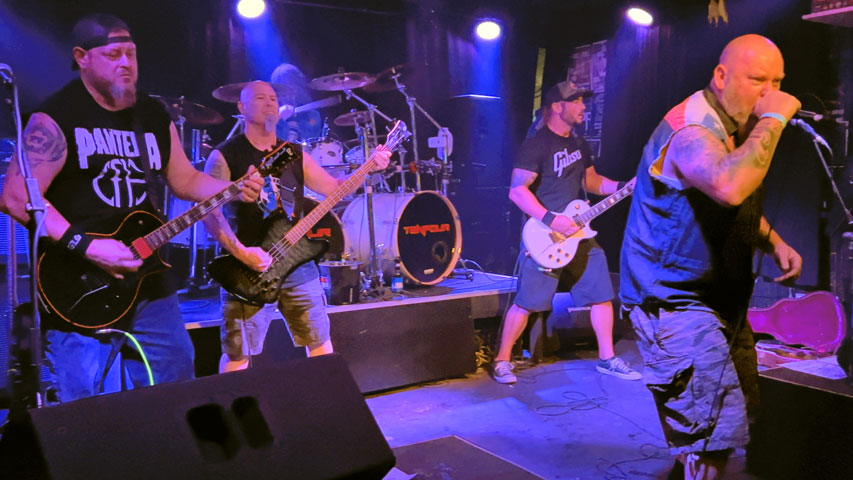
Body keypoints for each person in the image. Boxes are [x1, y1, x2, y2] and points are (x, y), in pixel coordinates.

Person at [0, 13, 264, 403]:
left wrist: (234, 188)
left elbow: (185, 180)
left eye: (131, 53)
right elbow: (17, 196)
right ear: (82, 57)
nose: (125, 63)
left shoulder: (151, 114)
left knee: (176, 373)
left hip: (145, 270)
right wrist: (88, 246)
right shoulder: (57, 116)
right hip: (77, 278)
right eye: (113, 54)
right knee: (84, 397)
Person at [619, 34, 802, 479]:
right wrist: (774, 118)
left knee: (733, 419)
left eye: (778, 82)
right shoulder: (691, 130)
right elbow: (728, 185)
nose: (770, 92)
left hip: (717, 297)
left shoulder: (732, 123)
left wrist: (774, 241)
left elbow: (729, 198)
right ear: (721, 76)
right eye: (758, 80)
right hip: (673, 301)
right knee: (711, 437)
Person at [202, 81, 391, 373]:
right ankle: (233, 403)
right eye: (260, 98)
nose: (269, 103)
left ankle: (324, 398)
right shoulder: (225, 155)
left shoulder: (293, 153)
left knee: (320, 343)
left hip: (297, 264)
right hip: (248, 269)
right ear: (241, 107)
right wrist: (241, 253)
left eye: (273, 98)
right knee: (238, 355)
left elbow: (335, 189)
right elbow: (208, 213)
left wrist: (369, 167)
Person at [491, 80, 641, 384]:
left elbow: (592, 181)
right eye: (576, 101)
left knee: (601, 295)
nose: (583, 106)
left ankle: (607, 358)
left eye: (583, 101)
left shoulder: (579, 143)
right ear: (558, 106)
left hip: (580, 234)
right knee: (527, 302)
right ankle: (502, 360)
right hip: (545, 237)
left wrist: (623, 187)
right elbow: (517, 191)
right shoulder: (536, 145)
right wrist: (551, 219)